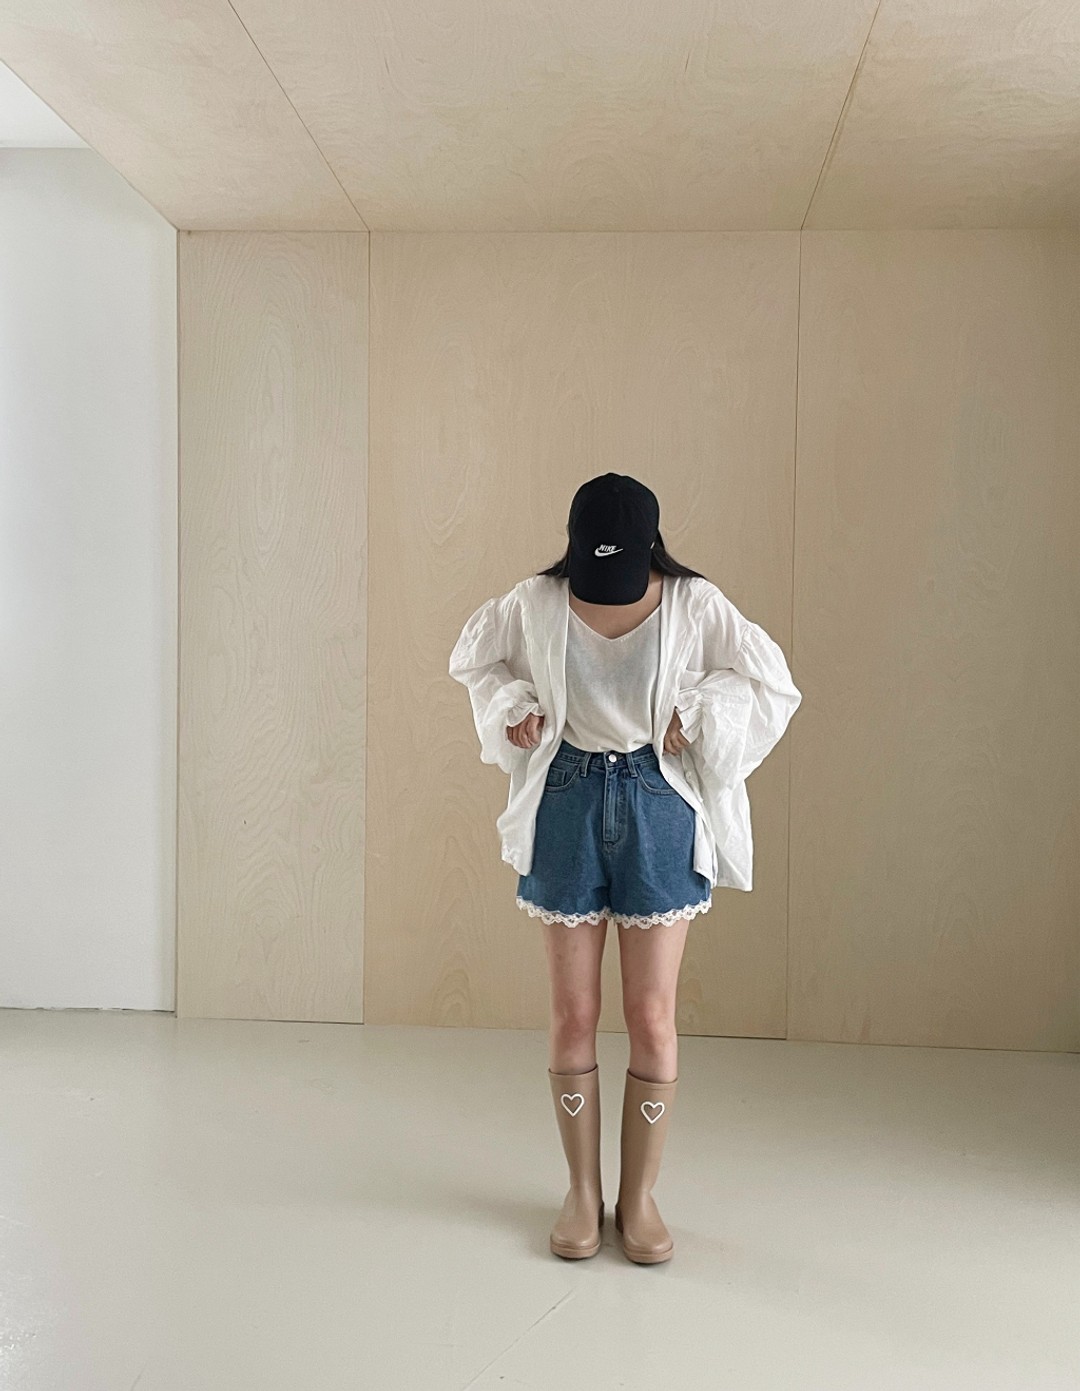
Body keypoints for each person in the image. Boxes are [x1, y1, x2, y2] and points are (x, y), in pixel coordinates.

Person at [449, 473, 801, 1264]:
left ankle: (638, 1198)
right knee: (574, 1012)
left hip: (658, 806)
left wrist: (702, 711)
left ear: (650, 552)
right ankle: (582, 1191)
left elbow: (770, 683)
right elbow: (476, 660)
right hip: (566, 802)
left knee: (651, 1013)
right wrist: (515, 709)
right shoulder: (537, 601)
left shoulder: (694, 603)